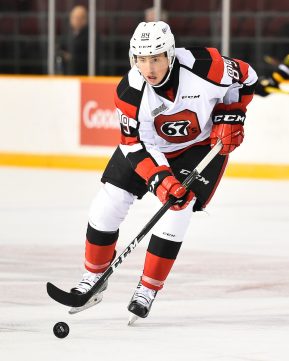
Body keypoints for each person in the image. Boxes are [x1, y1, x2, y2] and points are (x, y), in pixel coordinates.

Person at [70, 21, 258, 321]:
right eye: (141, 59)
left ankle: (147, 288)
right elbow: (133, 146)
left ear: (170, 54)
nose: (149, 67)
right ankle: (93, 277)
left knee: (179, 208)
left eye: (156, 57)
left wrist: (232, 114)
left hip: (199, 146)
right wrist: (160, 180)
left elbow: (248, 77)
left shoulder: (206, 67)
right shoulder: (130, 91)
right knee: (108, 202)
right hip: (150, 147)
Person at [58, 5, 89, 75]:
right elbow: (60, 47)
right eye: (73, 17)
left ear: (84, 20)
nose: (74, 20)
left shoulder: (91, 36)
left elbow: (90, 57)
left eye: (78, 18)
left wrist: (72, 58)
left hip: (84, 73)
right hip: (67, 72)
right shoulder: (66, 33)